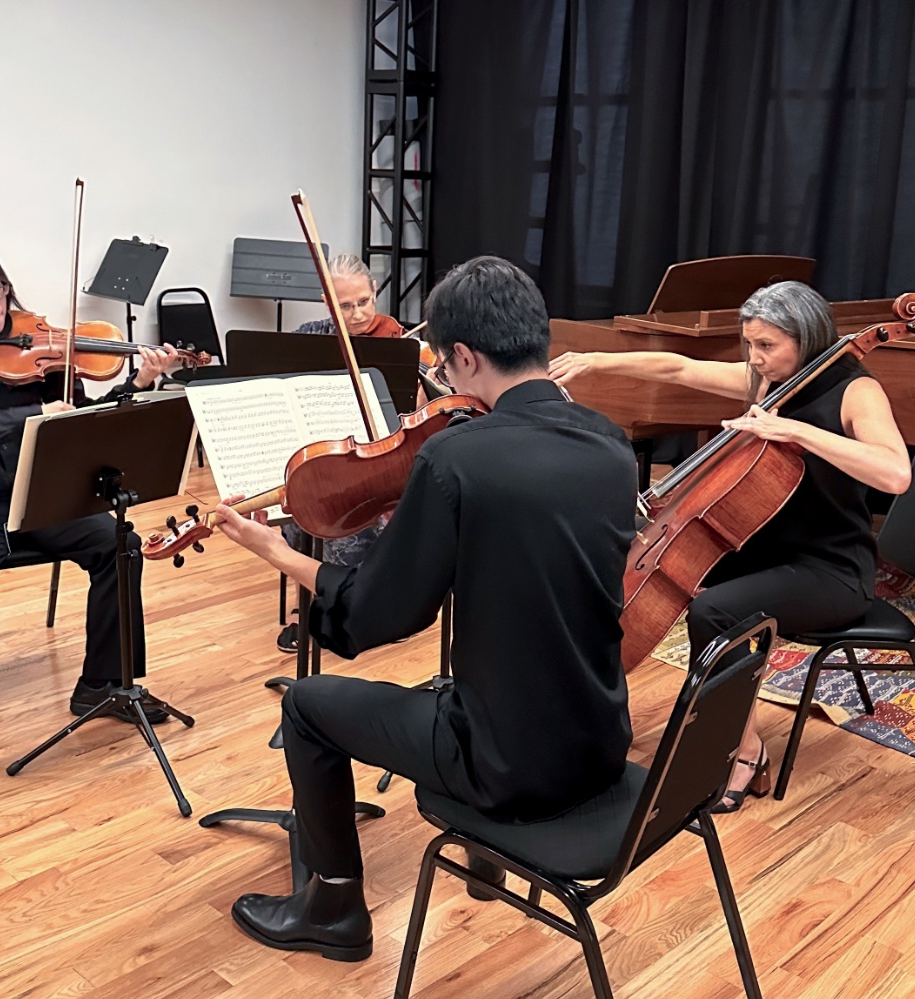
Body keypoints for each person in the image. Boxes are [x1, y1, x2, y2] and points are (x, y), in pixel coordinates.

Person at [211, 255, 638, 961]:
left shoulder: (460, 459)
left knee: (308, 704)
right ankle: (483, 866)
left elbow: (382, 614)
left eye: (442, 365)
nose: (442, 380)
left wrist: (280, 553)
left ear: (465, 356)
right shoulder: (610, 444)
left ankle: (333, 908)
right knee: (467, 676)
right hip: (597, 745)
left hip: (504, 766)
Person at [550, 279, 911, 811]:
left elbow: (896, 473)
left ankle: (744, 751)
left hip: (832, 570)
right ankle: (595, 716)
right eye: (750, 345)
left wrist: (797, 433)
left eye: (766, 346)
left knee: (716, 611)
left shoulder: (855, 391)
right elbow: (678, 368)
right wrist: (594, 361)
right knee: (671, 574)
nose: (755, 358)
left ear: (806, 337)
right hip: (768, 551)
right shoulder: (770, 381)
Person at [0, 236, 179, 718]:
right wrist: (34, 415)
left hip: (43, 495)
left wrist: (137, 384)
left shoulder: (38, 347)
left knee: (121, 544)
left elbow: (82, 421)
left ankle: (101, 685)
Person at [277, 254, 407, 653]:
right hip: (324, 456)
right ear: (326, 302)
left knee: (342, 503)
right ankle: (313, 599)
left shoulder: (396, 343)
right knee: (300, 498)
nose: (358, 314)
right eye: (345, 306)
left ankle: (355, 602)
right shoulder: (307, 338)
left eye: (365, 302)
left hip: (376, 462)